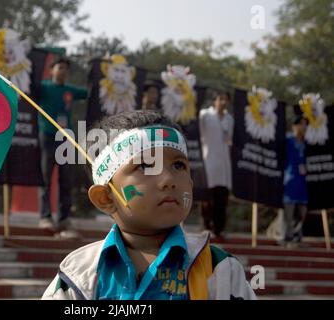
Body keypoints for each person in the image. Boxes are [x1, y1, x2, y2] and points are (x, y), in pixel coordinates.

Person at [42, 110, 256, 300]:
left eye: (178, 165)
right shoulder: (77, 275)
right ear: (105, 198)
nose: (169, 179)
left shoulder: (220, 269)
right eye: (145, 166)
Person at [37, 57, 88, 236]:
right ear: (52, 71)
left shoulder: (70, 90)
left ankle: (64, 218)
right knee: (45, 179)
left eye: (66, 68)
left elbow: (90, 92)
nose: (63, 71)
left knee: (66, 180)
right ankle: (45, 216)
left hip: (66, 138)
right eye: (60, 68)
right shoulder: (43, 87)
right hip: (47, 136)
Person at [199, 91, 234, 240]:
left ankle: (220, 229)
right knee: (207, 198)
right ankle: (206, 227)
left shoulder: (229, 119)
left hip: (224, 164)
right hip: (209, 161)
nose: (223, 102)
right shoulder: (205, 115)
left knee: (222, 199)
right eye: (221, 99)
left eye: (226, 99)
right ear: (214, 101)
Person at [281, 115, 309, 247]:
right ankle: (287, 237)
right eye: (301, 124)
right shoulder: (288, 140)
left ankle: (298, 236)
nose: (303, 127)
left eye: (305, 124)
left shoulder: (306, 143)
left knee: (301, 211)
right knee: (289, 211)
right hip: (290, 181)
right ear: (294, 126)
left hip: (302, 183)